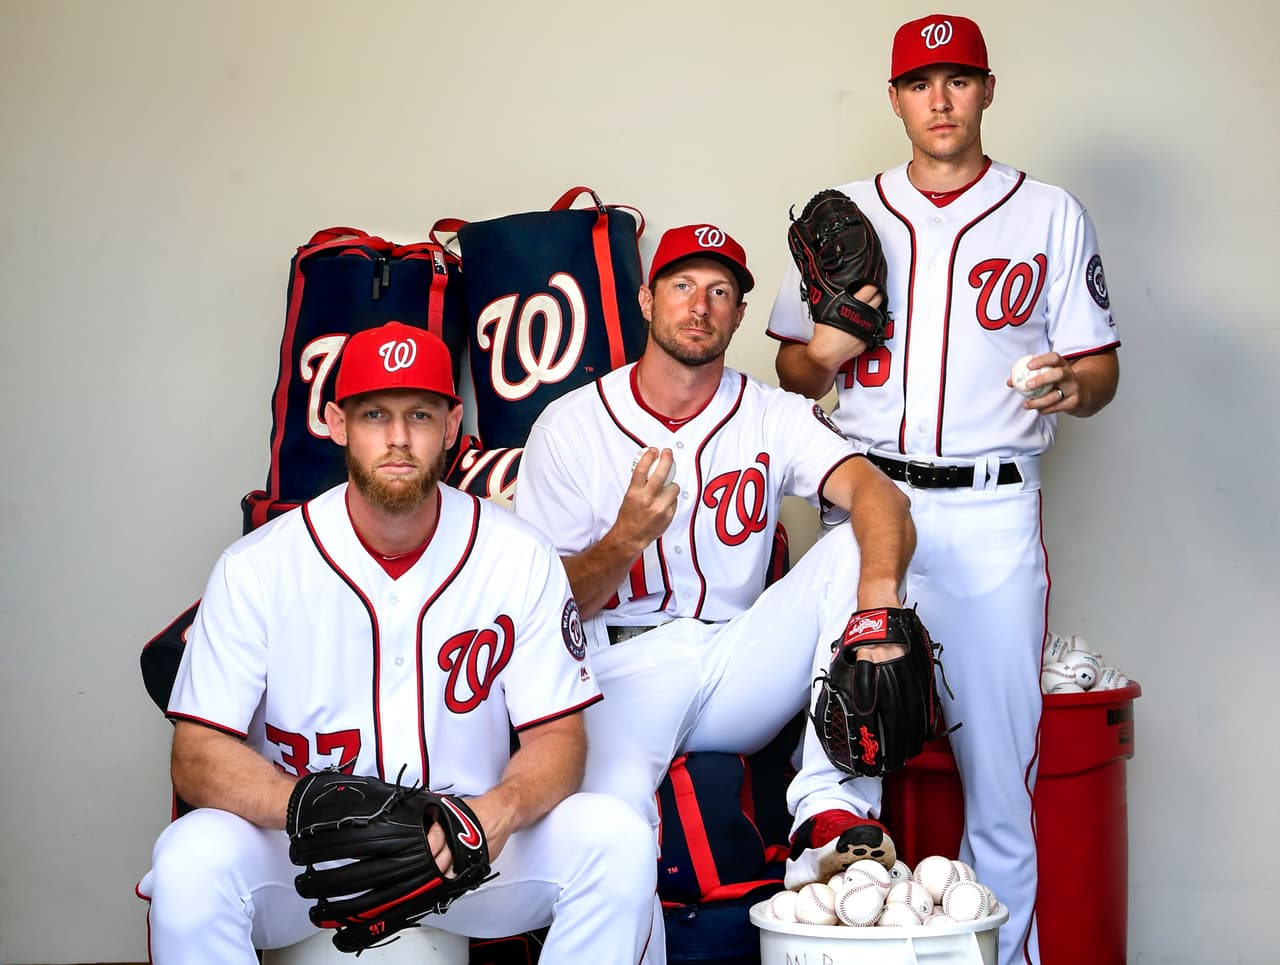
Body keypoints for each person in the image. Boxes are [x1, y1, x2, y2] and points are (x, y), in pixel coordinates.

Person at [767, 14, 1121, 965]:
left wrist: (1069, 385)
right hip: (867, 513)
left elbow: (1100, 372)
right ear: (894, 98)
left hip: (993, 507)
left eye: (958, 79)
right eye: (921, 83)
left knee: (1000, 781)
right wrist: (827, 349)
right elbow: (796, 373)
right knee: (843, 759)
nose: (939, 99)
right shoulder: (845, 209)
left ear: (988, 90)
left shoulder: (1048, 212)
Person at [137, 321, 658, 964]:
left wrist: (494, 813)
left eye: (419, 413)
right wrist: (302, 802)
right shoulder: (257, 566)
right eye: (374, 413)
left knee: (616, 838)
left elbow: (559, 739)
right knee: (190, 858)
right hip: (309, 851)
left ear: (451, 423)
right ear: (335, 421)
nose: (398, 437)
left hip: (463, 849)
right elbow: (196, 754)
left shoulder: (519, 556)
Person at [513, 223, 919, 936]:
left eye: (720, 291)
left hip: (737, 659)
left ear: (738, 314)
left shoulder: (771, 412)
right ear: (647, 300)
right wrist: (627, 538)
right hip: (617, 671)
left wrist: (877, 606)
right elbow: (553, 609)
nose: (699, 305)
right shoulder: (570, 425)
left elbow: (880, 495)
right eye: (682, 286)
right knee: (613, 845)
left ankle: (830, 814)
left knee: (858, 542)